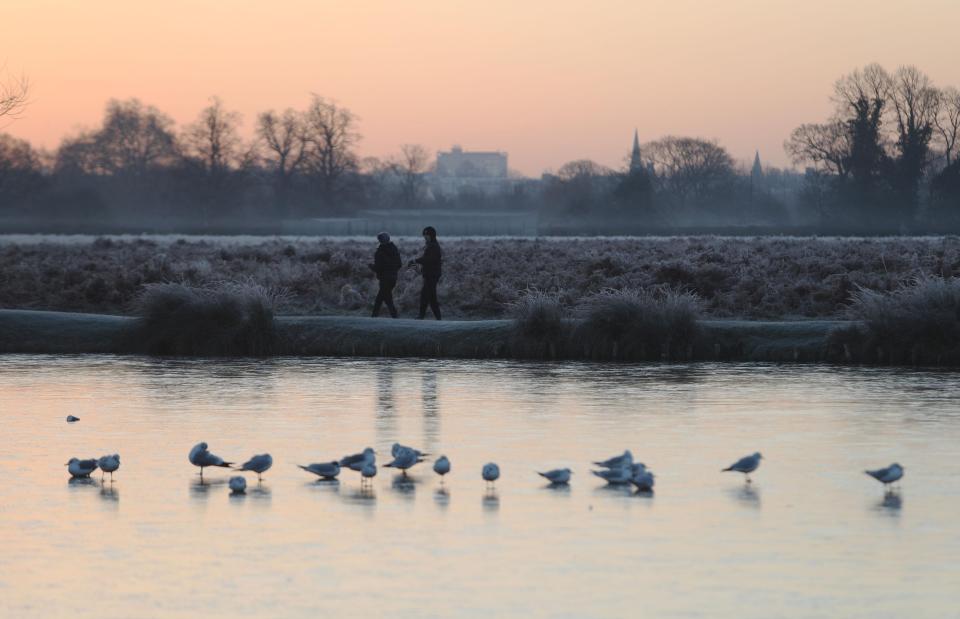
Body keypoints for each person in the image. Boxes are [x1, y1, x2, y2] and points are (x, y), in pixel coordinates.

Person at [411, 226, 442, 320]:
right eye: (424, 235)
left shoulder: (433, 246)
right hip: (431, 274)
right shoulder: (431, 245)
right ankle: (437, 318)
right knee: (431, 298)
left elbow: (429, 259)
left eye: (427, 235)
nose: (425, 236)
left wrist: (416, 260)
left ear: (431, 235)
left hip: (432, 275)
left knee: (425, 296)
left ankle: (422, 316)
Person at [369, 232, 402, 318]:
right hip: (393, 278)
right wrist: (393, 271)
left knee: (381, 299)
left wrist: (371, 266)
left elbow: (378, 268)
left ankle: (374, 317)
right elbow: (400, 264)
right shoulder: (394, 250)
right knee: (386, 298)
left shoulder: (379, 252)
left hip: (384, 279)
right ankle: (393, 316)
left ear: (380, 240)